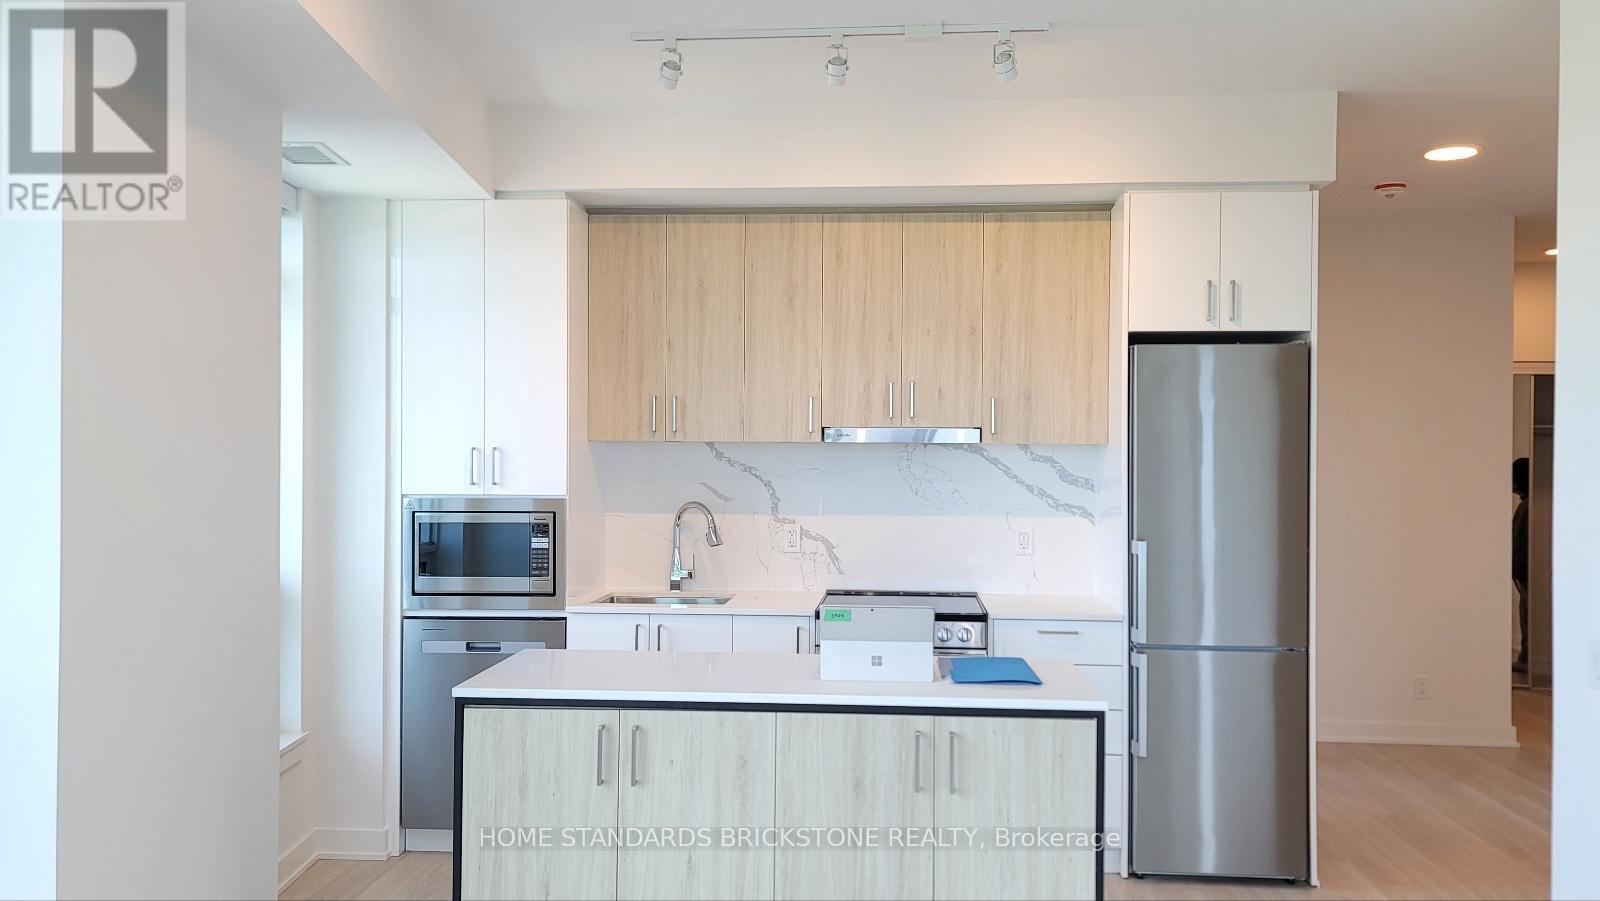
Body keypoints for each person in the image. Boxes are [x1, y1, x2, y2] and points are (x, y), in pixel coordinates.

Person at [1513, 457, 1530, 673]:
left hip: (1525, 571)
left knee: (1527, 614)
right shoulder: (1526, 506)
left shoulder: (1527, 507)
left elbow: (1520, 542)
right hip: (1523, 572)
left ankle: (1527, 658)